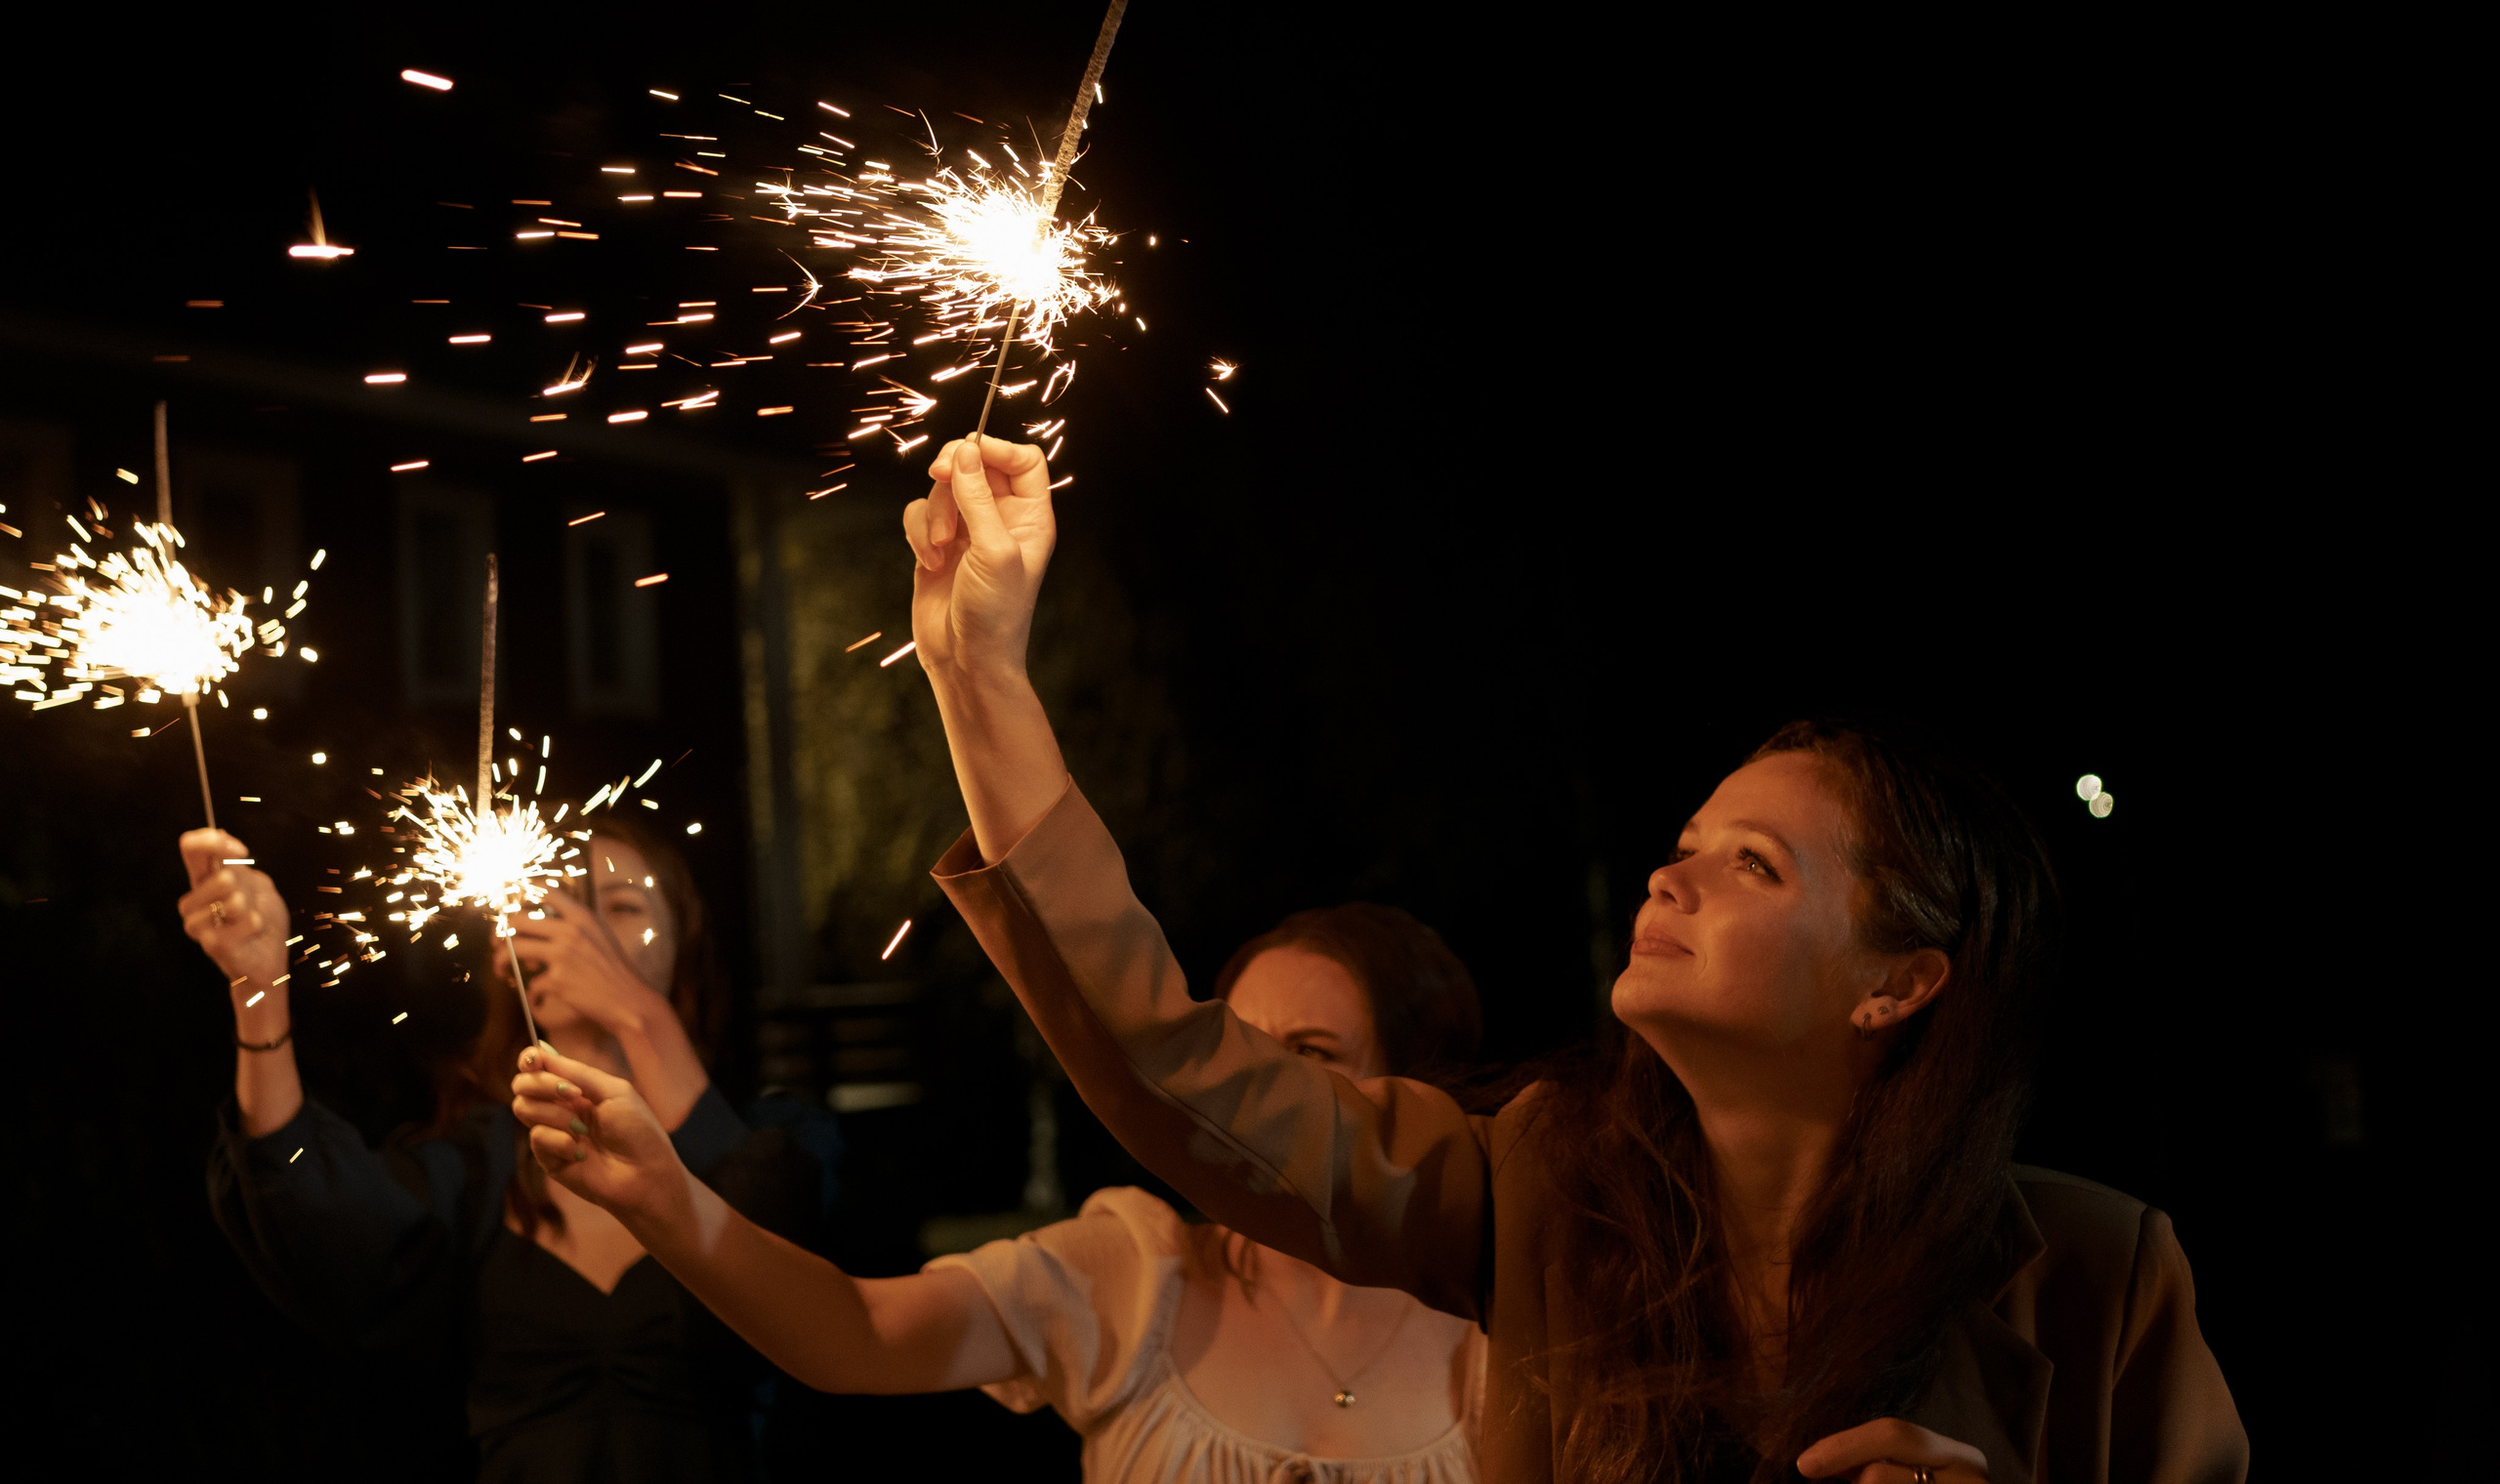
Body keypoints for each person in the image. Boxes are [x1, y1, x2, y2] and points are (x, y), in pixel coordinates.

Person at [865, 434, 2242, 1483]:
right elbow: (1179, 1062)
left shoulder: (2097, 1274)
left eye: (1753, 862)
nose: (1670, 870)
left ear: (1898, 981)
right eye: (1689, 836)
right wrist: (979, 676)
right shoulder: (1533, 1188)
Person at [509, 900, 1490, 1483]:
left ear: (1416, 1088)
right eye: (1238, 1053)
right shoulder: (1135, 1276)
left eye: (1310, 1055)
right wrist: (668, 1205)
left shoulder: (1514, 1324)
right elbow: (855, 1328)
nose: (1259, 1093)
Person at [186, 809, 812, 1483]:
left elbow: (797, 1296)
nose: (586, 936)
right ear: (512, 958)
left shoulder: (777, 1140)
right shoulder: (476, 1169)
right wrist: (258, 989)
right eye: (560, 911)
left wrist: (636, 1012)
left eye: (622, 908)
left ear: (682, 939)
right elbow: (314, 1213)